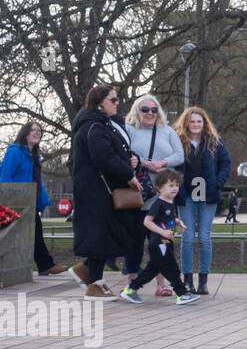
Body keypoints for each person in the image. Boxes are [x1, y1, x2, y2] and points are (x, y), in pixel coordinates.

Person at [69, 84, 142, 299]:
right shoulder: (93, 127)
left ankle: (86, 270)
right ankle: (95, 283)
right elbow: (104, 158)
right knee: (101, 234)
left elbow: (118, 151)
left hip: (103, 188)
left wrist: (133, 160)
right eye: (113, 100)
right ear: (100, 103)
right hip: (96, 189)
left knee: (110, 233)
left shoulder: (105, 125)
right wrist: (129, 175)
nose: (117, 103)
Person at [123, 94, 184, 296]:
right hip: (137, 192)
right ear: (136, 111)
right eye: (145, 109)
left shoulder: (167, 131)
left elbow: (179, 155)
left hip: (160, 195)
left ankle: (161, 284)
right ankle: (131, 282)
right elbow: (123, 153)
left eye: (154, 110)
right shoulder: (129, 129)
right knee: (135, 242)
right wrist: (141, 162)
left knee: (159, 241)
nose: (150, 113)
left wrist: (161, 163)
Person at [119, 169, 202, 305]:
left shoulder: (170, 202)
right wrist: (162, 232)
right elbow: (147, 221)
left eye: (176, 185)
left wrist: (178, 221)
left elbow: (167, 217)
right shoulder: (158, 204)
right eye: (170, 185)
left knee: (153, 269)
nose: (175, 188)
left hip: (166, 242)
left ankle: (131, 289)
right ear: (159, 188)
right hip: (159, 244)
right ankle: (181, 293)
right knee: (172, 269)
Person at [173, 106, 231, 295]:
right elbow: (172, 164)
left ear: (204, 123)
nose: (196, 124)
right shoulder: (178, 142)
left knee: (205, 237)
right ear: (186, 123)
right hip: (187, 195)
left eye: (199, 121)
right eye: (192, 121)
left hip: (208, 195)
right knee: (187, 237)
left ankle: (203, 281)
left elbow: (225, 164)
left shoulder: (214, 142)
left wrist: (217, 183)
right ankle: (187, 279)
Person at [1, 121, 64, 277]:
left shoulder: (34, 155)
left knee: (36, 232)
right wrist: (10, 200)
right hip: (15, 203)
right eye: (33, 130)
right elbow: (5, 176)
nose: (37, 133)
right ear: (25, 133)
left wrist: (40, 201)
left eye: (39, 131)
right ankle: (45, 265)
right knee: (8, 237)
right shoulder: (15, 152)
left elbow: (36, 181)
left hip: (29, 201)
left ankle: (45, 265)